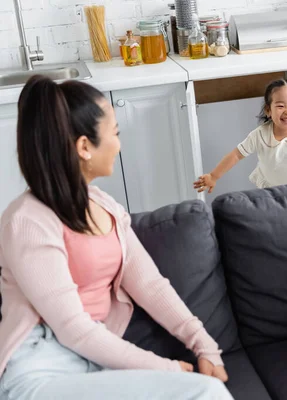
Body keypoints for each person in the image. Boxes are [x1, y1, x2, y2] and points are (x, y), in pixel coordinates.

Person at [0, 76, 234, 400]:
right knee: (205, 394)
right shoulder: (27, 222)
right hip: (39, 369)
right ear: (84, 147)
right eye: (115, 133)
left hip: (95, 362)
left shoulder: (105, 206)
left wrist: (205, 346)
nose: (119, 144)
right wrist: (165, 368)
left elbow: (151, 286)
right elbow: (74, 329)